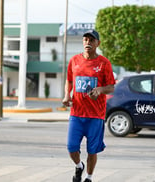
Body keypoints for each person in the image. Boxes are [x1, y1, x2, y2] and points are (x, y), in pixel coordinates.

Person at [62, 30, 115, 182]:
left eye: (92, 40)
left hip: (95, 115)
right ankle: (79, 166)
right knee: (72, 148)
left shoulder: (104, 63)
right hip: (77, 114)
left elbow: (111, 87)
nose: (88, 43)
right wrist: (67, 95)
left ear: (98, 43)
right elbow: (70, 81)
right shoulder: (74, 61)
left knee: (92, 151)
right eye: (85, 40)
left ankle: (89, 178)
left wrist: (100, 90)